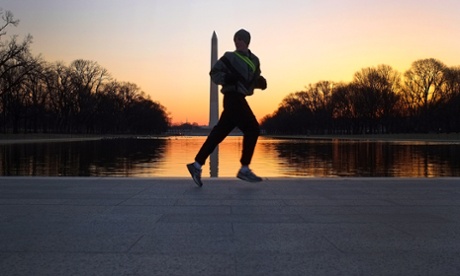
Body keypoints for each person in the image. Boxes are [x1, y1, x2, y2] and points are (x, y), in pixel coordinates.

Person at [186, 29, 267, 187]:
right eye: (235, 39)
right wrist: (226, 77)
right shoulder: (229, 57)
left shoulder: (255, 60)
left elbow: (251, 80)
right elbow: (214, 73)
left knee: (218, 134)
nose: (236, 42)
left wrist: (260, 84)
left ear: (246, 41)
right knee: (253, 129)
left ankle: (196, 165)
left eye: (239, 39)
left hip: (239, 98)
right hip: (232, 98)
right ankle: (244, 168)